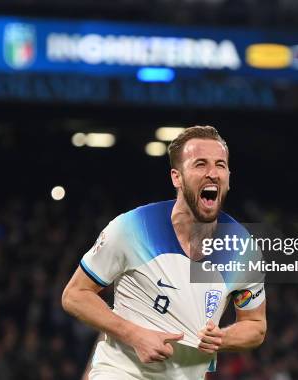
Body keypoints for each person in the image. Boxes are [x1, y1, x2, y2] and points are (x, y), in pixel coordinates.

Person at [62, 125, 267, 379]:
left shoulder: (241, 249)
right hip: (121, 371)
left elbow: (255, 326)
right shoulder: (132, 228)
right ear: (176, 177)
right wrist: (134, 335)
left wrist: (222, 338)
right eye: (200, 164)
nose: (212, 173)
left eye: (220, 165)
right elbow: (75, 294)